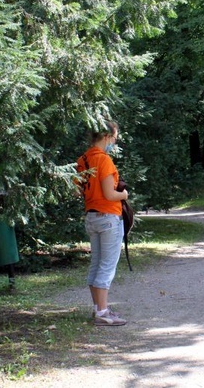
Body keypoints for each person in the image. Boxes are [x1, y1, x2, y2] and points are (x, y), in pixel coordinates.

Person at [76, 121, 129, 326]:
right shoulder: (104, 160)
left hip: (91, 216)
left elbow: (77, 190)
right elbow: (110, 194)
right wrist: (123, 194)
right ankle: (103, 314)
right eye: (114, 138)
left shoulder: (83, 160)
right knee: (106, 266)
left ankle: (99, 309)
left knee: (96, 264)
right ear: (107, 136)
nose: (114, 142)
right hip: (108, 218)